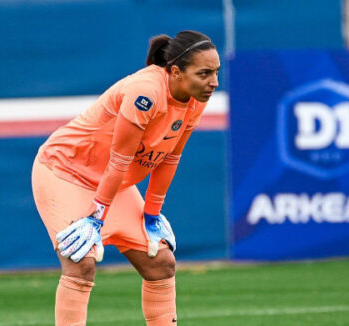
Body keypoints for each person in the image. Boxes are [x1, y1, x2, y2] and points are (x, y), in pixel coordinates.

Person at [31, 30, 220, 325]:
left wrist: (152, 215)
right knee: (81, 263)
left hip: (111, 182)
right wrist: (97, 218)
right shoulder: (146, 92)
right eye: (205, 73)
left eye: (216, 72)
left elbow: (170, 157)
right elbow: (119, 161)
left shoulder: (196, 96)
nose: (214, 82)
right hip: (64, 171)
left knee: (161, 263)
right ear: (175, 72)